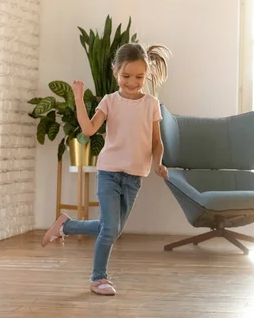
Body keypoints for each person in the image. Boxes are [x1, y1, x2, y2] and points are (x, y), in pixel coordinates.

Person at [41, 43, 171, 296]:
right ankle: (98, 278)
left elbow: (157, 142)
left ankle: (65, 226)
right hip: (109, 172)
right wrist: (78, 99)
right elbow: (89, 130)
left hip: (135, 178)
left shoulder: (151, 104)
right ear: (115, 72)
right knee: (110, 229)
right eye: (126, 76)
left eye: (139, 77)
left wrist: (158, 163)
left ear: (147, 75)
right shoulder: (110, 101)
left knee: (113, 228)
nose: (132, 82)